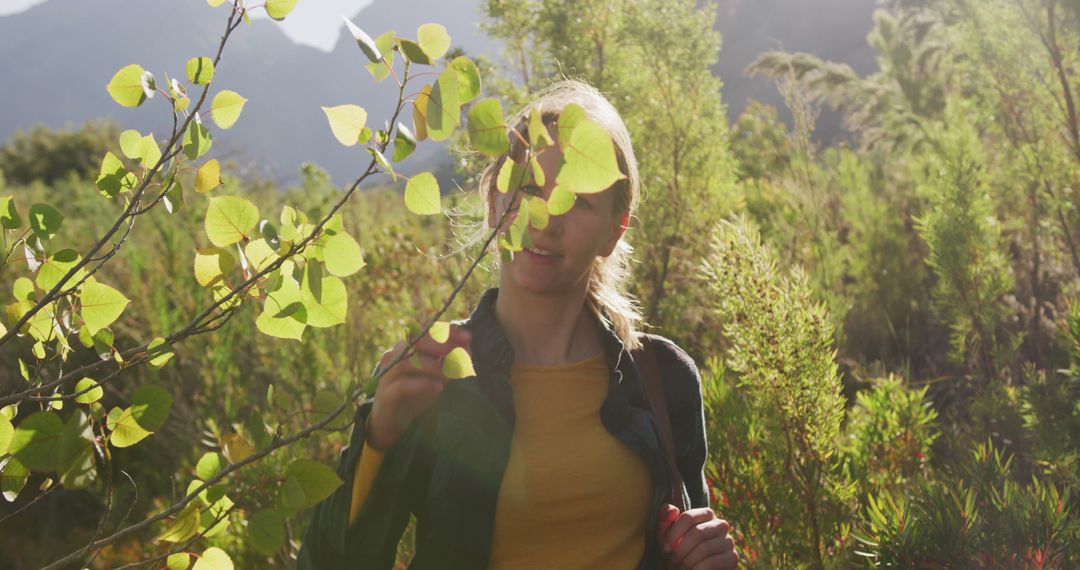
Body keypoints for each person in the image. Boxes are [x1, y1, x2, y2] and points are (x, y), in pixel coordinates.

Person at [297, 80, 738, 570]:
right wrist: (378, 437)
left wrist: (705, 557)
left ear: (615, 231)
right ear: (493, 200)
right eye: (528, 189)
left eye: (578, 200)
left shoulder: (662, 378)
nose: (544, 219)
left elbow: (688, 547)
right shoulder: (438, 374)